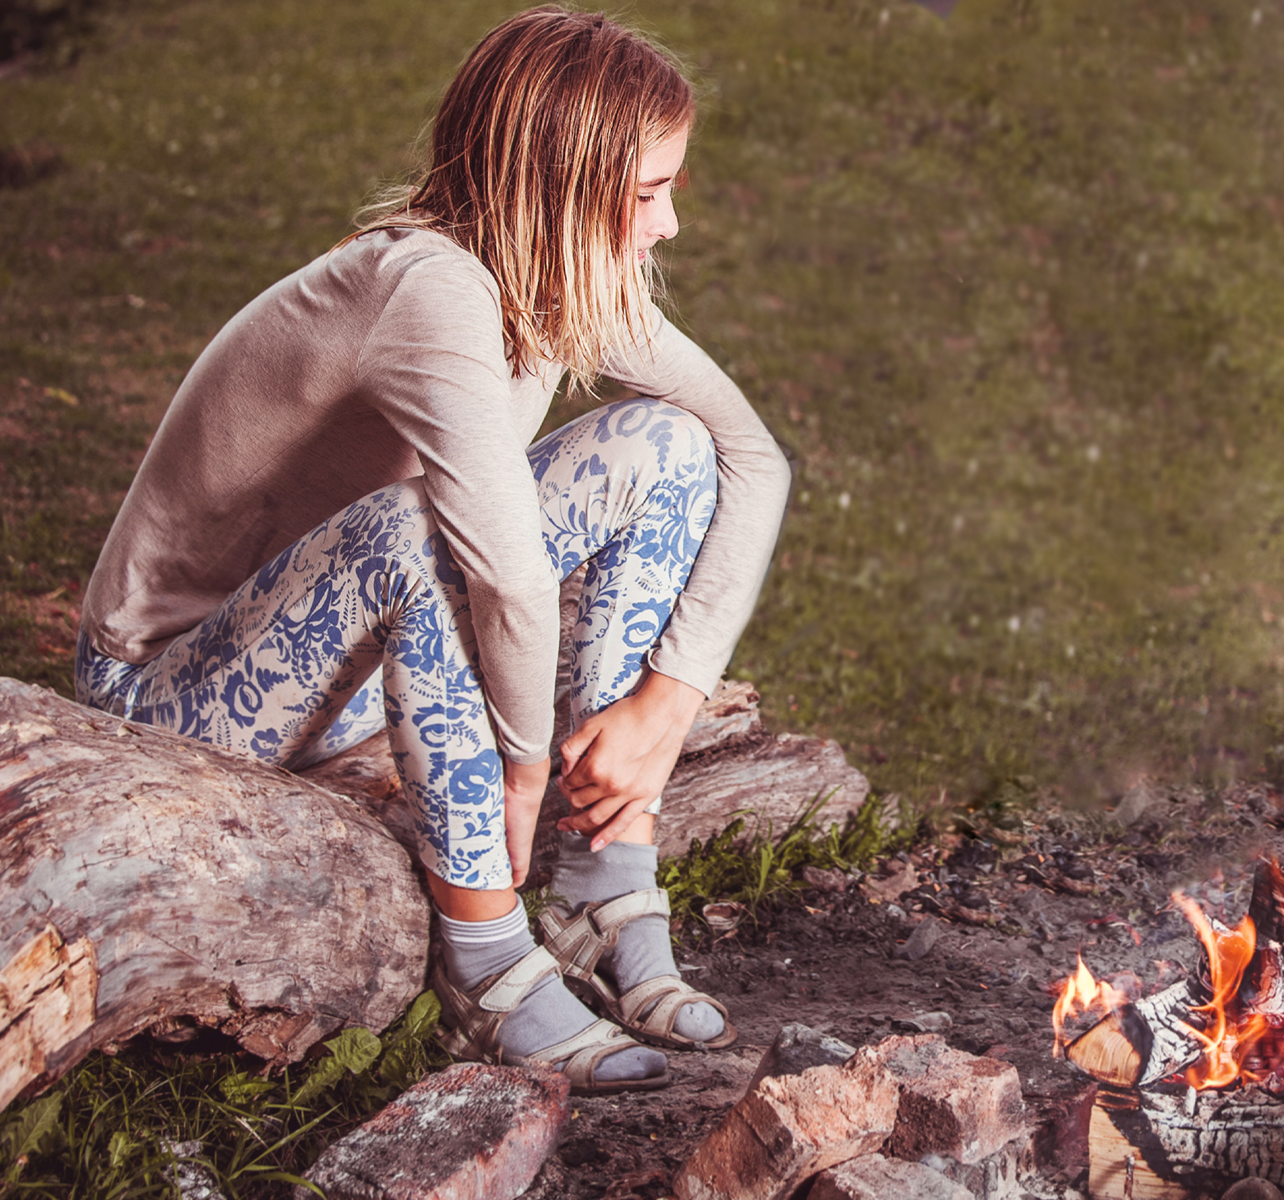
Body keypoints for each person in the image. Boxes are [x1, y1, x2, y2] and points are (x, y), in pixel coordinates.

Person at [75, 6, 789, 1092]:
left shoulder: (557, 280)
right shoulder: (428, 287)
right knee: (424, 531)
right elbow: (496, 565)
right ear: (558, 192)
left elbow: (753, 457)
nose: (668, 228)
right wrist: (523, 767)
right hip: (173, 701)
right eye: (648, 195)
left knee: (671, 444)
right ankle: (484, 960)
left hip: (346, 670)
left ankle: (602, 874)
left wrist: (663, 712)